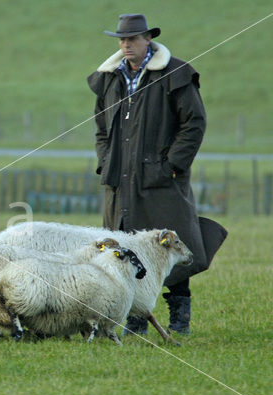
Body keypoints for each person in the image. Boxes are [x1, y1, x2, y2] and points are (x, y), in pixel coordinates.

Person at [87, 14, 227, 335]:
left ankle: (179, 319)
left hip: (163, 181)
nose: (125, 45)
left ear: (147, 39)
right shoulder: (110, 79)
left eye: (132, 39)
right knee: (125, 248)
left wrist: (173, 166)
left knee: (175, 244)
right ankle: (136, 320)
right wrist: (105, 161)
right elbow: (101, 128)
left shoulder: (175, 73)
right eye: (121, 40)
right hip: (119, 183)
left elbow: (194, 123)